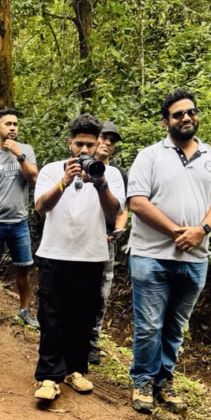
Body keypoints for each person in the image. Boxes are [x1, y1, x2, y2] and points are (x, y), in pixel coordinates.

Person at [127, 89, 211, 415]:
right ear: (165, 122)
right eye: (178, 114)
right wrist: (176, 231)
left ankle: (163, 380)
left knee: (175, 326)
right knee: (149, 325)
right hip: (150, 254)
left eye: (190, 112)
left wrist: (203, 230)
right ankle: (142, 379)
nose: (186, 118)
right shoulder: (150, 156)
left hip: (195, 259)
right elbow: (137, 202)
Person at [33, 115, 125, 403]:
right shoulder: (50, 170)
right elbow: (40, 207)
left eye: (89, 144)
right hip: (54, 252)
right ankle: (49, 376)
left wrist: (99, 183)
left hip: (92, 254)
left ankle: (75, 369)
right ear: (69, 143)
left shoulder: (111, 175)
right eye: (78, 144)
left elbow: (113, 211)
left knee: (83, 316)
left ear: (98, 144)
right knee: (51, 315)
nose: (83, 151)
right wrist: (64, 181)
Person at [0, 109, 39, 329]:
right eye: (8, 124)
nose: (12, 127)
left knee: (24, 267)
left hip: (19, 221)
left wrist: (19, 154)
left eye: (15, 124)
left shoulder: (26, 150)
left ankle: (24, 310)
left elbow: (33, 178)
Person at [89, 120, 129, 364]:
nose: (107, 143)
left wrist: (118, 229)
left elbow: (122, 208)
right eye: (104, 137)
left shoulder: (117, 174)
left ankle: (92, 340)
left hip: (106, 242)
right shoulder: (77, 167)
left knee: (101, 292)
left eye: (112, 140)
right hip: (80, 240)